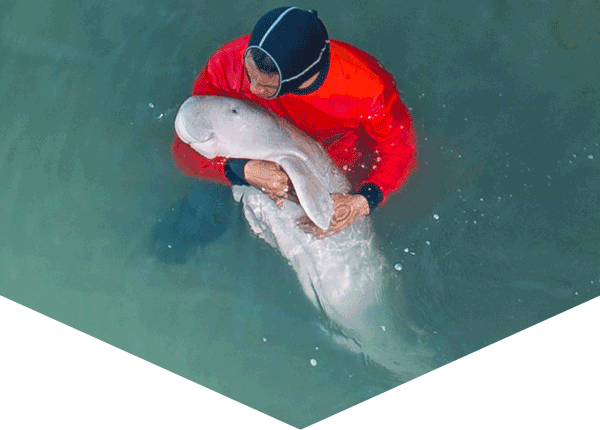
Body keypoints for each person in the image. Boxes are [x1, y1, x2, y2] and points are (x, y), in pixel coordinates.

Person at [172, 6, 417, 238]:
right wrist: (240, 170)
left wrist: (362, 201)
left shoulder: (366, 89)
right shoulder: (227, 64)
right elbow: (185, 150)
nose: (253, 88)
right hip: (243, 157)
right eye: (249, 73)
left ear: (298, 81)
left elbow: (397, 149)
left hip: (336, 162)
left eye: (267, 86)